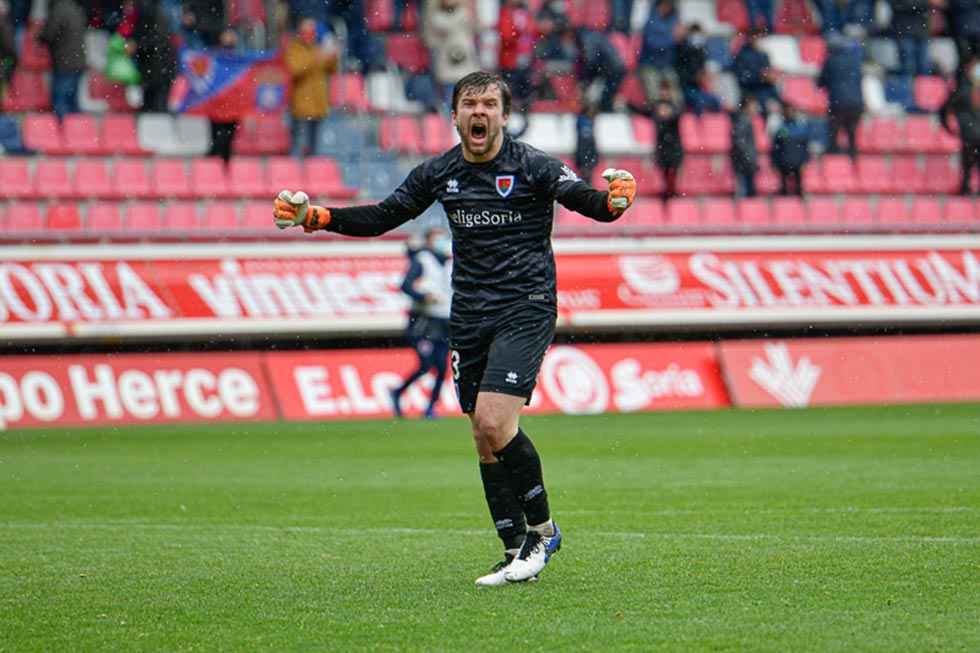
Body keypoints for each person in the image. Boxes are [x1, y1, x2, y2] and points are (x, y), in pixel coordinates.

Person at [272, 70, 637, 586]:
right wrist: (317, 217)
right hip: (468, 315)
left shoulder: (533, 165)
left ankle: (543, 532)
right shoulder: (441, 172)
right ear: (455, 116)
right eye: (470, 104)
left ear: (504, 116)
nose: (479, 112)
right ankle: (513, 551)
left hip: (525, 306)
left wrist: (614, 200)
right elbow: (383, 216)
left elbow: (588, 202)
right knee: (484, 438)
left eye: (489, 104)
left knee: (494, 420)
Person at [390, 228, 453, 420]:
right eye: (437, 237)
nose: (442, 241)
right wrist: (423, 296)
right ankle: (398, 392)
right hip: (424, 322)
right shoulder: (422, 259)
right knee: (426, 364)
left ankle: (430, 408)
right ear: (428, 241)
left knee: (442, 367)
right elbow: (405, 285)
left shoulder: (449, 262)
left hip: (444, 321)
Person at [285, 17, 338, 158]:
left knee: (314, 149)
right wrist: (317, 57)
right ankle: (296, 169)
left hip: (318, 105)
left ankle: (311, 168)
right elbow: (295, 69)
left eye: (311, 32)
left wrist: (332, 56)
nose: (309, 36)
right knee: (298, 146)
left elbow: (332, 69)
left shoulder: (317, 48)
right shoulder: (294, 48)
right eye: (306, 32)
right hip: (301, 107)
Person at [423, 0, 479, 110]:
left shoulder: (465, 14)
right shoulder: (437, 16)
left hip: (465, 61)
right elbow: (432, 34)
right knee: (449, 98)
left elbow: (475, 28)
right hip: (446, 62)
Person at [38, 0, 86, 120]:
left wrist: (39, 37)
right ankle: (75, 129)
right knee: (72, 102)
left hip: (64, 62)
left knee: (60, 103)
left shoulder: (58, 10)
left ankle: (62, 129)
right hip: (78, 61)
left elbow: (49, 34)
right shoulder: (76, 8)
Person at [818, 34, 864, 160]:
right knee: (852, 134)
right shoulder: (854, 61)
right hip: (856, 103)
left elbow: (821, 82)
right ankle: (853, 161)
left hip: (838, 103)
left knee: (833, 134)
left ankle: (834, 163)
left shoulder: (830, 61)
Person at [941, 60, 980, 194]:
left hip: (969, 136)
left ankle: (966, 189)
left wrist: (949, 128)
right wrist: (949, 129)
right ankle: (965, 189)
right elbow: (944, 110)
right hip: (970, 136)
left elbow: (944, 110)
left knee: (967, 167)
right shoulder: (962, 91)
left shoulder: (961, 90)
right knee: (967, 167)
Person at [131, 0, 178, 113]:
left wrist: (138, 45)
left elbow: (155, 36)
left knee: (154, 100)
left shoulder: (148, 8)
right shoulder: (159, 8)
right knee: (156, 100)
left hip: (155, 62)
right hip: (160, 61)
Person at [208, 27, 243, 162]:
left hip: (233, 104)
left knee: (228, 139)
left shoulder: (240, 58)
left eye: (231, 36)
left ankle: (224, 166)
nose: (229, 39)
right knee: (216, 137)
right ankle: (214, 165)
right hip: (216, 104)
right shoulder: (214, 56)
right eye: (226, 35)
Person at [498, 0, 537, 113]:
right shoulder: (506, 13)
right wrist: (519, 34)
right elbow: (506, 36)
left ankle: (524, 110)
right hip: (510, 61)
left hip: (525, 59)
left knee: (525, 91)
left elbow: (534, 31)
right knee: (512, 90)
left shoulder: (525, 12)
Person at [638, 0, 681, 105]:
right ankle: (656, 110)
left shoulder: (674, 21)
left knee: (676, 95)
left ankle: (674, 111)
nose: (665, 8)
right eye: (663, 5)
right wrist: (673, 39)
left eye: (668, 5)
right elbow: (652, 44)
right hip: (649, 65)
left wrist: (683, 37)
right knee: (653, 92)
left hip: (666, 65)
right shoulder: (650, 22)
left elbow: (679, 44)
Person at [733, 28, 781, 116]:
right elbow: (742, 78)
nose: (758, 40)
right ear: (749, 38)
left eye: (760, 37)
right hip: (751, 93)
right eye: (755, 37)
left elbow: (769, 76)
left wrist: (776, 97)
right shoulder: (742, 55)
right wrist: (760, 77)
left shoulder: (764, 55)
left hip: (766, 92)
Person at [675, 23, 721, 115]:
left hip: (699, 88)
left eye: (699, 35)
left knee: (715, 101)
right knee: (699, 102)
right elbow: (681, 71)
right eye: (694, 34)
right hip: (686, 87)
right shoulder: (682, 49)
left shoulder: (702, 51)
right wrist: (695, 77)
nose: (697, 38)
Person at [771, 103, 810, 195]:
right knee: (784, 191)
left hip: (798, 163)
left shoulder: (801, 128)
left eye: (791, 111)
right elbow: (775, 148)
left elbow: (805, 147)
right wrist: (775, 163)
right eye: (787, 111)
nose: (789, 113)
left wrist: (805, 161)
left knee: (799, 190)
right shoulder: (781, 129)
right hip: (784, 163)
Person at [888, 0, 934, 77]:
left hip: (919, 30)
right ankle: (908, 84)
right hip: (904, 30)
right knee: (908, 66)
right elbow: (897, 5)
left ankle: (921, 84)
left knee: (923, 65)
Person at [730, 97, 760, 197]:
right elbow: (739, 142)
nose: (756, 108)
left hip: (745, 162)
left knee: (747, 192)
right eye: (753, 106)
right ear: (746, 107)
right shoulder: (743, 120)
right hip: (744, 163)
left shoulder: (743, 119)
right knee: (745, 193)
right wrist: (749, 158)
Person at [575, 99, 599, 186]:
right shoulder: (583, 121)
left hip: (588, 151)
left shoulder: (590, 121)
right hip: (584, 151)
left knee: (587, 177)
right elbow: (583, 141)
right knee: (585, 176)